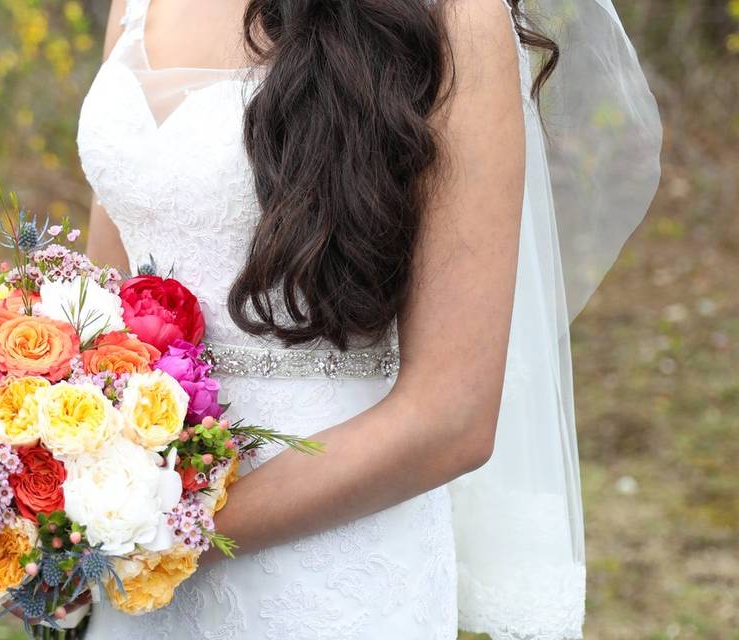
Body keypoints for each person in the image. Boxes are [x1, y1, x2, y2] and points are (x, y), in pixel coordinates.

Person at [77, 1, 661, 637]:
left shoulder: (452, 17)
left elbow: (453, 416)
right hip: (126, 542)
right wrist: (34, 488)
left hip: (327, 558)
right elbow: (104, 303)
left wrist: (160, 532)